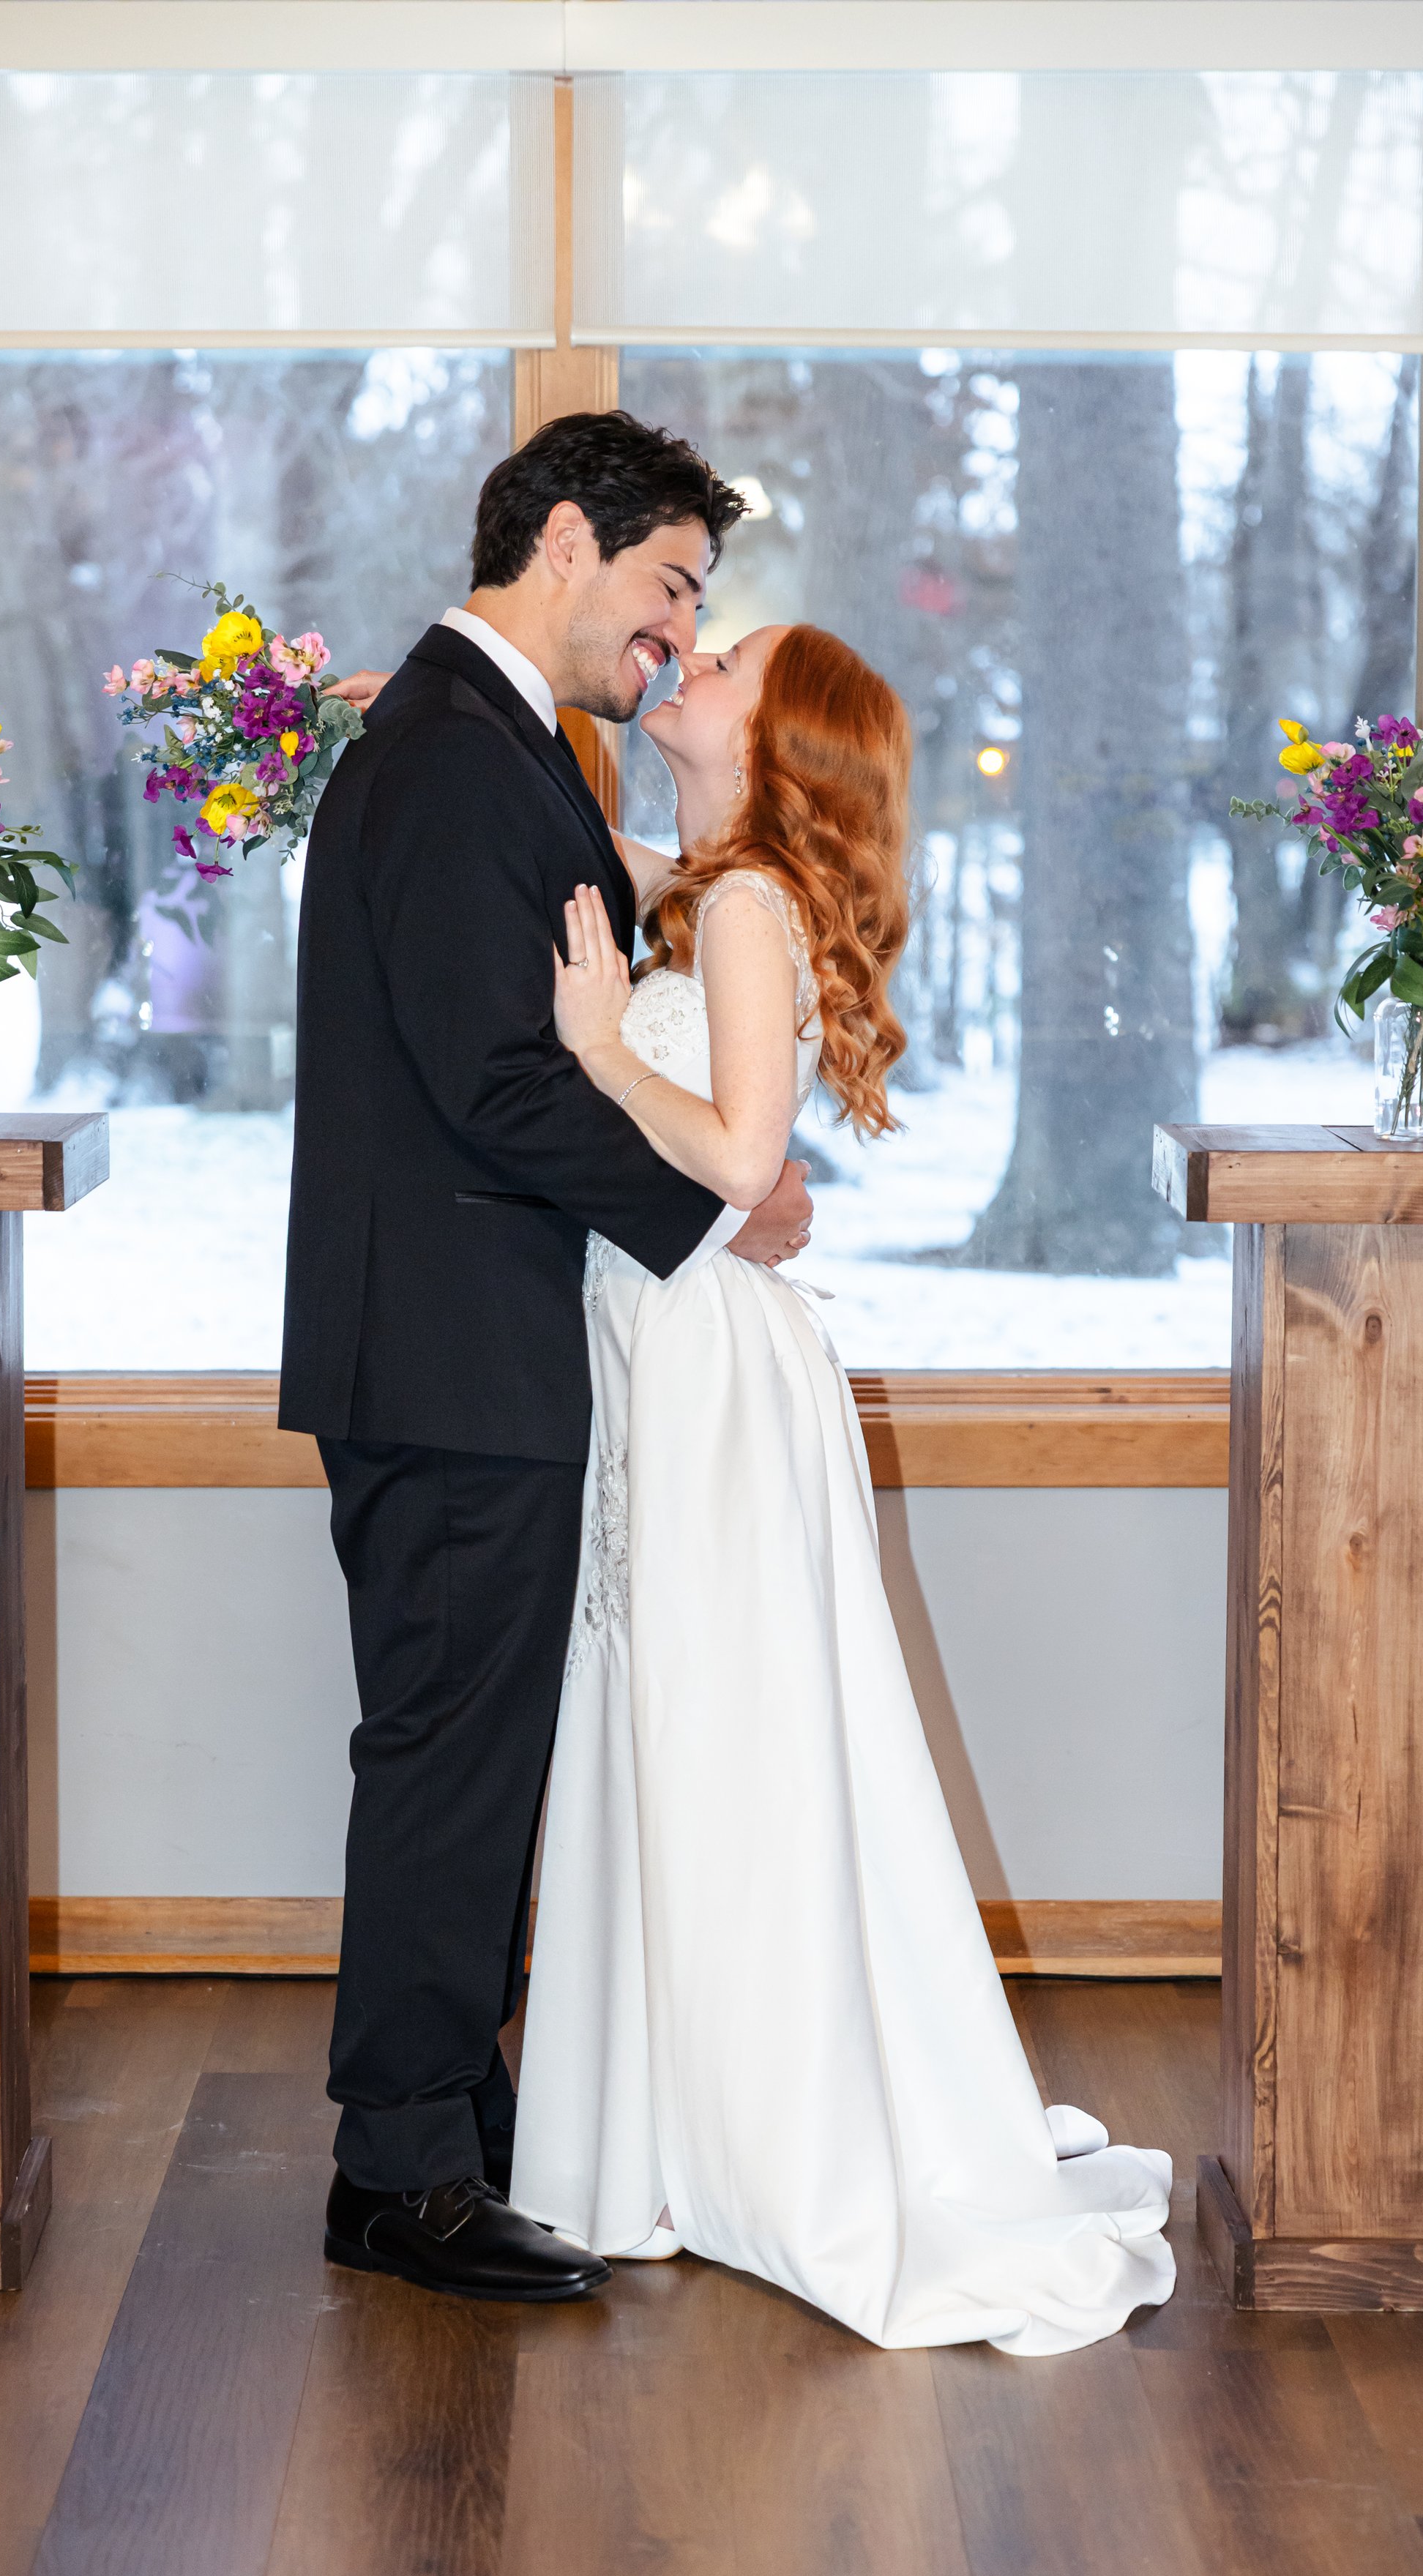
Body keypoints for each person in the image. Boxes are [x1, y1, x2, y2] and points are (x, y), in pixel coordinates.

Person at [509, 620, 1177, 2353]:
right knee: (684, 1725)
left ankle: (726, 2143)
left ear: (778, 732)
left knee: (720, 1734)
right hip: (671, 1350)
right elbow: (571, 842)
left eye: (721, 654)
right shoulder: (702, 884)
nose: (686, 655)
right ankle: (671, 2130)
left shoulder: (737, 913)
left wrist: (593, 1047)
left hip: (709, 1361)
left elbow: (740, 1159)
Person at [280, 411, 814, 2304]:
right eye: (671, 583)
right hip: (442, 1356)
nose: (673, 633)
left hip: (464, 1347)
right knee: (443, 1748)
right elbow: (490, 1071)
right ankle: (400, 2167)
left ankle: (445, 2113)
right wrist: (719, 1204)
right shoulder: (450, 748)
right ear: (571, 539)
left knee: (468, 1745)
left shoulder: (493, 741)